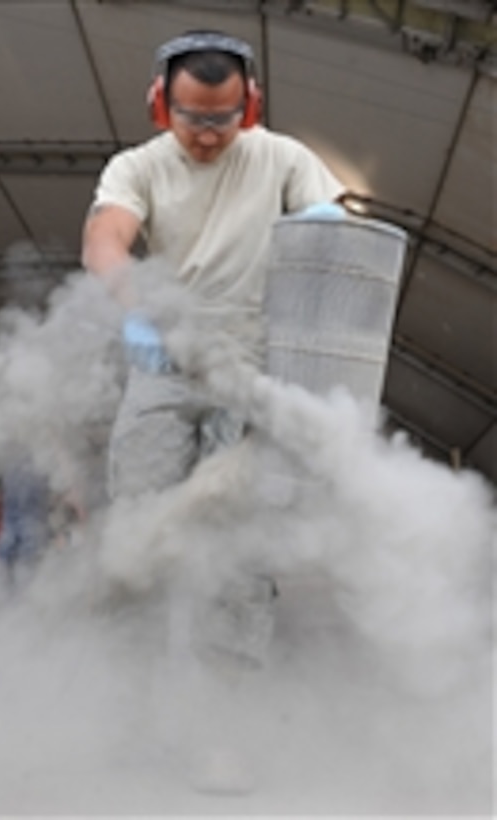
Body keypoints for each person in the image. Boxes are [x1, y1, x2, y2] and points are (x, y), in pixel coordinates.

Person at [82, 30, 346, 502]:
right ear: (161, 106)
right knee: (140, 495)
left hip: (251, 358)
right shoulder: (136, 168)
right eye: (192, 118)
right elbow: (104, 240)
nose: (207, 134)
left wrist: (326, 226)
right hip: (167, 350)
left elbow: (334, 235)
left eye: (223, 118)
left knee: (228, 514)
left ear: (250, 107)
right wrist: (137, 309)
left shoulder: (284, 158)